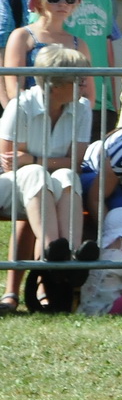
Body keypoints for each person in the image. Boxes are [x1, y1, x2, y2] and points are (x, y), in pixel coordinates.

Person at [0, 44, 93, 313]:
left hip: (47, 186)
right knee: (34, 174)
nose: (85, 83)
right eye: (78, 79)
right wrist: (35, 164)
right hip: (11, 186)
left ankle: (68, 256)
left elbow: (75, 162)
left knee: (64, 176)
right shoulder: (21, 106)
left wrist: (34, 159)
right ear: (55, 83)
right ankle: (56, 259)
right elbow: (8, 162)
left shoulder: (83, 109)